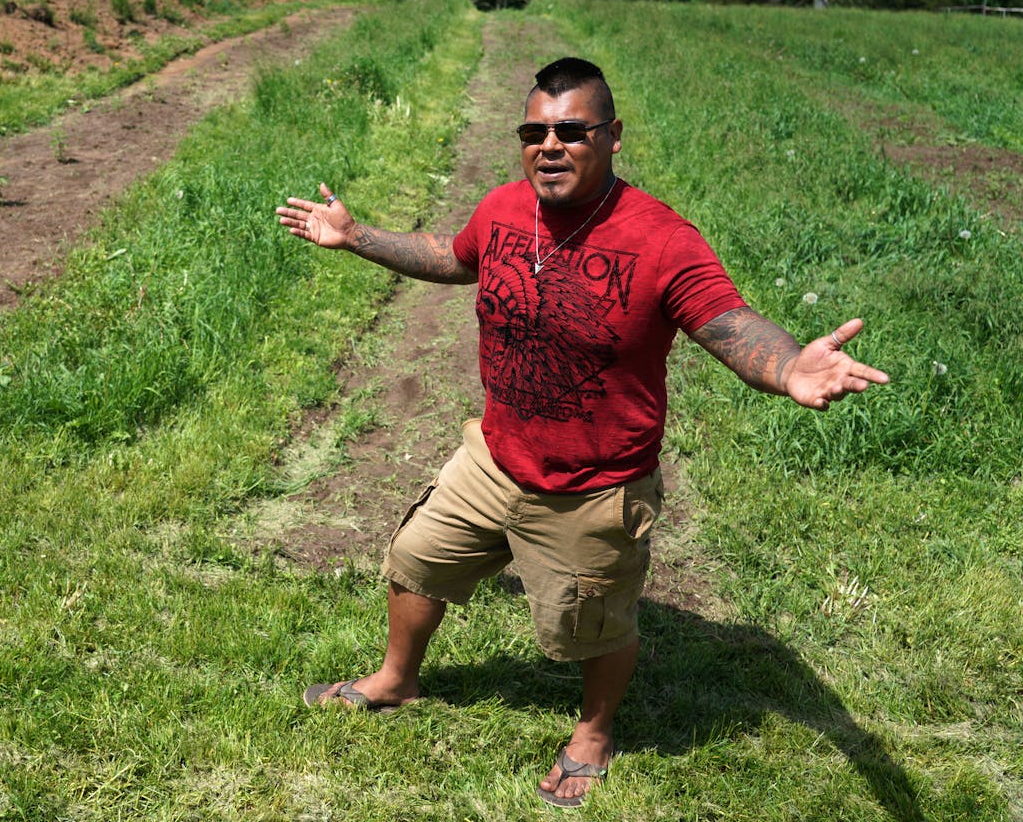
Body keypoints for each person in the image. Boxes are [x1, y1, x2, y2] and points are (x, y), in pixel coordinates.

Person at [273, 57, 889, 808]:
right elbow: (453, 256)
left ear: (612, 136)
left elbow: (726, 321)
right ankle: (397, 681)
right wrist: (358, 235)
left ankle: (593, 734)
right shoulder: (504, 208)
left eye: (571, 130)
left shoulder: (662, 239)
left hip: (594, 486)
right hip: (496, 455)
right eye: (535, 131)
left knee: (592, 626)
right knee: (416, 556)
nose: (551, 144)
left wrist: (789, 365)